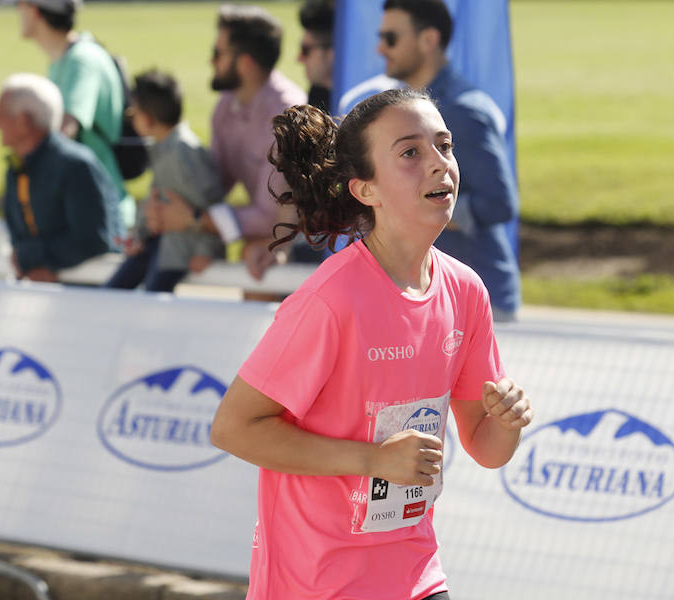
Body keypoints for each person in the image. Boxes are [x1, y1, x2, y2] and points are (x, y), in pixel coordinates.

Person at [210, 89, 533, 600]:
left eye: (444, 146)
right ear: (366, 191)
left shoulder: (466, 291)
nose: (438, 164)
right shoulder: (329, 300)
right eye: (410, 153)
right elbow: (232, 429)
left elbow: (487, 447)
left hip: (416, 576)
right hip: (316, 584)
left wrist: (508, 421)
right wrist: (373, 460)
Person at [377, 0, 521, 320]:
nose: (379, 48)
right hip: (440, 297)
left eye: (390, 38)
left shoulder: (460, 109)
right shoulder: (412, 105)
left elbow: (499, 203)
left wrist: (419, 207)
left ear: (428, 39)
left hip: (480, 302)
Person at [149, 4, 306, 280]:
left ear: (245, 62)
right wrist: (164, 207)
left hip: (312, 241)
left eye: (217, 53)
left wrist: (195, 221)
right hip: (275, 231)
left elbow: (271, 217)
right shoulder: (225, 107)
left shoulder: (287, 115)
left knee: (256, 250)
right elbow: (213, 186)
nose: (211, 61)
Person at [15, 0, 134, 228]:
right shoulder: (65, 59)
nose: (17, 11)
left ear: (35, 11)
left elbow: (64, 132)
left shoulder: (82, 61)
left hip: (102, 212)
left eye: (20, 4)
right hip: (86, 205)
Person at [0, 73, 119, 282]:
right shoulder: (17, 166)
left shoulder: (76, 165)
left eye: (1, 114)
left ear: (24, 121)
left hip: (85, 295)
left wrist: (36, 259)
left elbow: (93, 240)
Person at [106, 69, 223, 293]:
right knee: (112, 291)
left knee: (150, 300)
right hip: (161, 244)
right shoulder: (163, 148)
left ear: (148, 118)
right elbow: (155, 197)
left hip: (179, 250)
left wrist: (206, 250)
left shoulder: (185, 152)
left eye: (133, 114)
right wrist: (139, 234)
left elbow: (212, 200)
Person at [298, 0, 335, 114]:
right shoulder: (317, 93)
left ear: (332, 54)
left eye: (306, 50)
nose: (299, 59)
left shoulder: (364, 107)